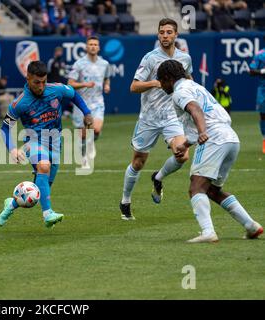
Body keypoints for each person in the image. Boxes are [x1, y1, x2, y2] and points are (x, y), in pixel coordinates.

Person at [157, 59, 263, 243]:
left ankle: (208, 232)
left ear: (167, 78)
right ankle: (251, 226)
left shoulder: (179, 92)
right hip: (230, 138)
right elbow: (205, 114)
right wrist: (186, 144)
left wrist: (203, 131)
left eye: (161, 81)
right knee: (212, 190)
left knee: (196, 187)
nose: (160, 85)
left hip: (213, 137)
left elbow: (195, 109)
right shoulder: (195, 86)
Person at [0, 60, 93, 228]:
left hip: (55, 143)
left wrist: (87, 113)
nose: (41, 86)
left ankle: (11, 204)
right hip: (33, 142)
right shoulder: (20, 103)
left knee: (39, 192)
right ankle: (48, 214)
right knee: (43, 166)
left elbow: (73, 94)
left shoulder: (55, 89)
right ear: (27, 78)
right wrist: (12, 150)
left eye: (44, 82)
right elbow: (5, 128)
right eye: (37, 82)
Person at [119, 18, 193, 221]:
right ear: (158, 35)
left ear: (176, 35)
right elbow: (133, 87)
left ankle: (158, 177)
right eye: (162, 32)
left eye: (169, 32)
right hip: (149, 118)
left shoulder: (184, 58)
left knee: (182, 155)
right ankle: (125, 201)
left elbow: (189, 80)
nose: (165, 35)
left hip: (172, 116)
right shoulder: (150, 58)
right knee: (138, 162)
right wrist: (154, 82)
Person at [68, 36, 110, 169]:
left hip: (97, 102)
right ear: (86, 47)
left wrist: (107, 85)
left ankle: (91, 144)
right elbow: (70, 84)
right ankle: (84, 158)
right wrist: (84, 84)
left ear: (98, 47)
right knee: (83, 135)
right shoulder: (79, 64)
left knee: (96, 130)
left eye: (95, 44)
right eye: (90, 44)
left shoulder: (104, 64)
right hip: (81, 103)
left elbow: (107, 78)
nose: (93, 46)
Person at [248, 40, 265, 154]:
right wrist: (262, 71)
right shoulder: (260, 54)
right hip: (264, 90)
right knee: (263, 116)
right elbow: (251, 71)